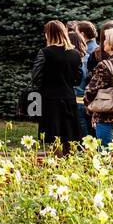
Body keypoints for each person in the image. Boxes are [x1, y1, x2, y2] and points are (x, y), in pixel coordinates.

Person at [32, 21, 83, 154]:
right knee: (69, 136)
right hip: (69, 98)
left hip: (50, 99)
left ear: (48, 34)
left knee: (54, 137)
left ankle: (57, 166)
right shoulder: (75, 54)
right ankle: (69, 166)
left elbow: (36, 77)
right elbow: (78, 79)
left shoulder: (45, 52)